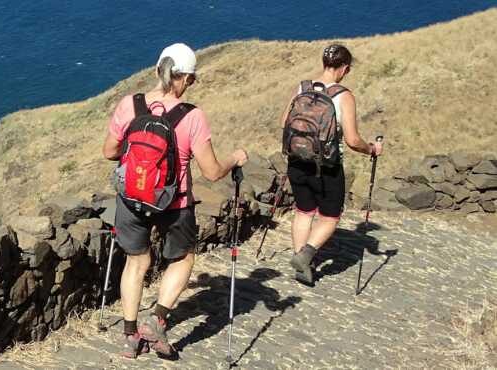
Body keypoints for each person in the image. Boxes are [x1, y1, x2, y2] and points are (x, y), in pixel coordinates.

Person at [102, 43, 248, 359]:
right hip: (174, 201)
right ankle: (156, 319)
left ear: (158, 70)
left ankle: (130, 336)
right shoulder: (192, 116)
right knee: (182, 259)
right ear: (186, 79)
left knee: (136, 262)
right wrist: (234, 159)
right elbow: (211, 172)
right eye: (191, 80)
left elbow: (109, 151)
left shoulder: (130, 105)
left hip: (131, 198)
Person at [282, 44, 383, 286]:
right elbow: (352, 140)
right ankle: (307, 254)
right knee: (329, 217)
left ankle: (301, 262)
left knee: (303, 211)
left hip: (296, 161)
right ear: (345, 68)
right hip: (326, 166)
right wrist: (371, 149)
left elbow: (284, 121)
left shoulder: (303, 87)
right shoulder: (343, 96)